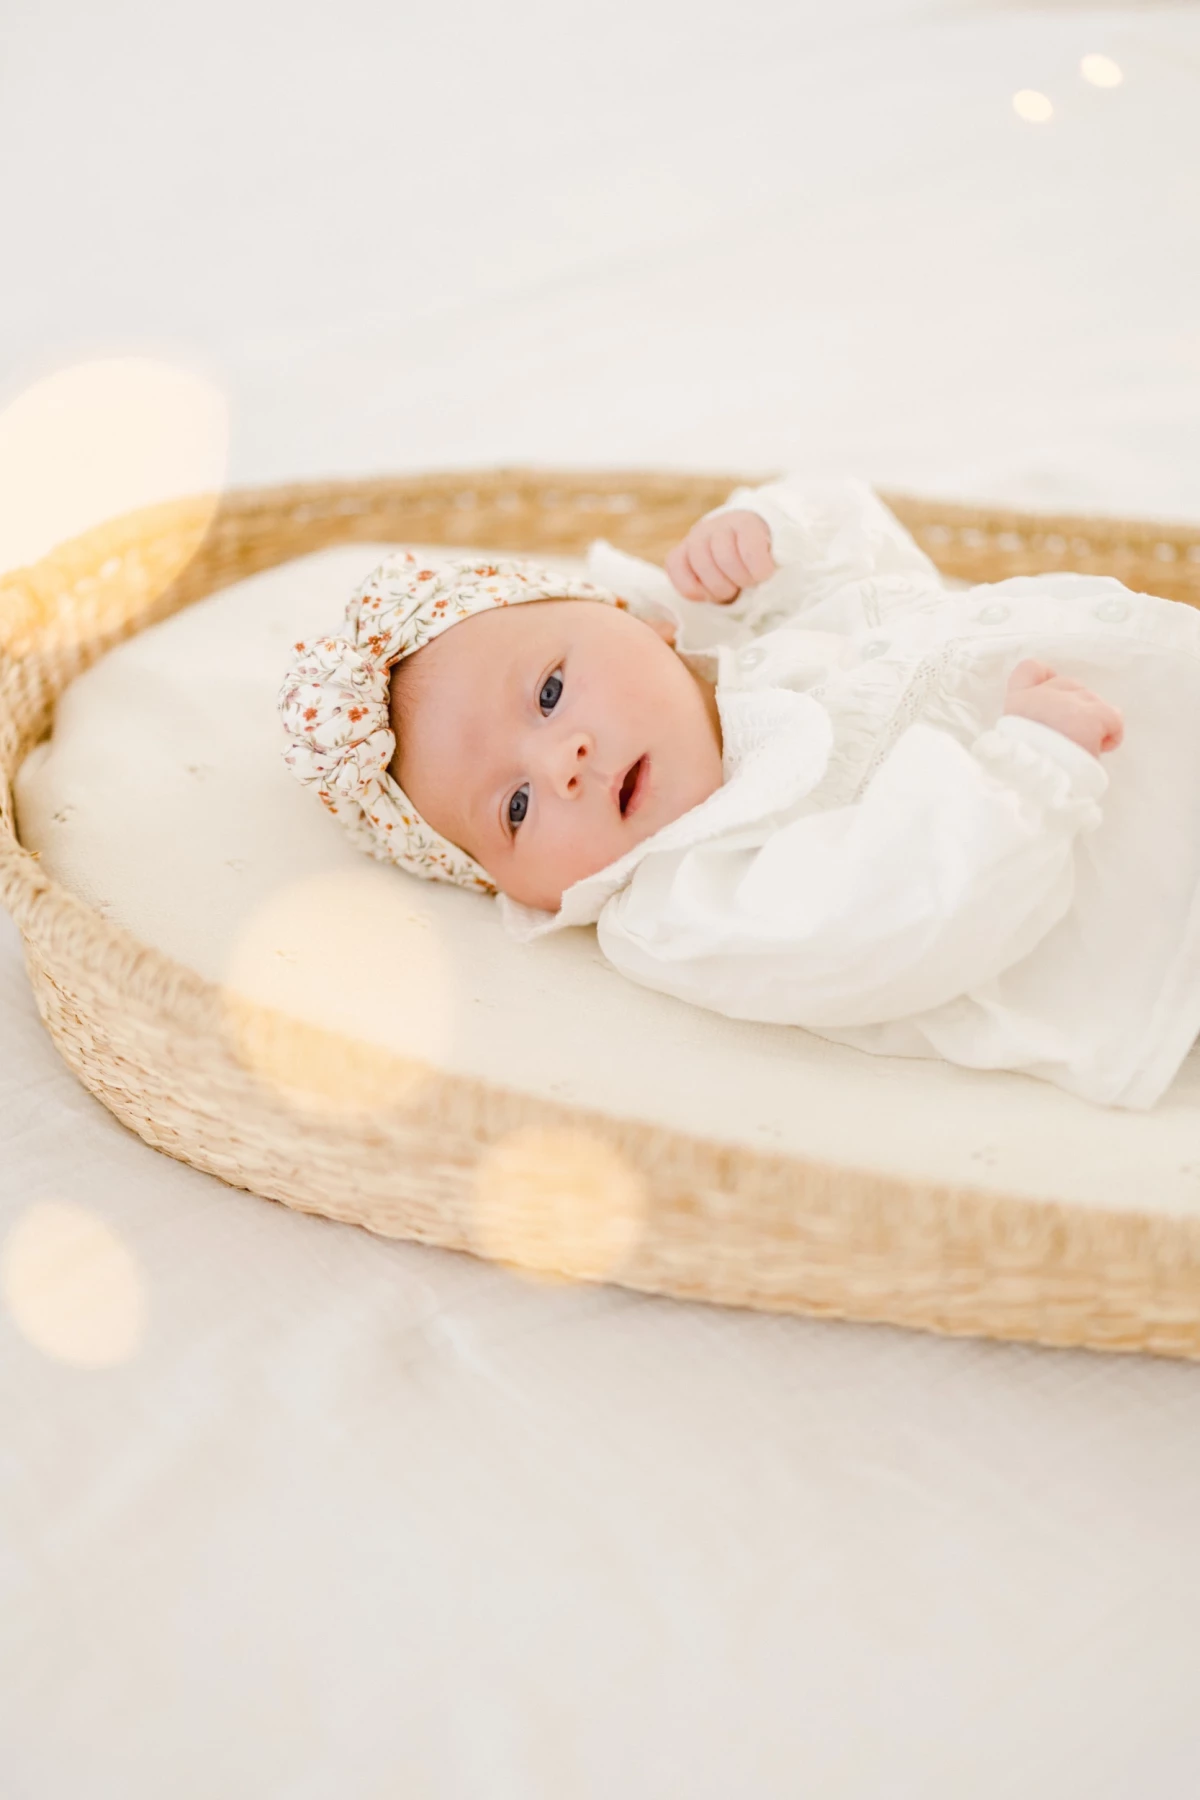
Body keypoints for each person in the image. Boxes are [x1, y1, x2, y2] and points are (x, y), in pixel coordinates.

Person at [279, 475, 1200, 1109]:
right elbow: (884, 921)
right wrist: (1028, 766)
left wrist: (776, 532)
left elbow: (879, 566)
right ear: (522, 893)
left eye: (552, 692)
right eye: (515, 809)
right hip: (1153, 928)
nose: (563, 761)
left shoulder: (759, 640)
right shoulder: (686, 896)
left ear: (632, 617)